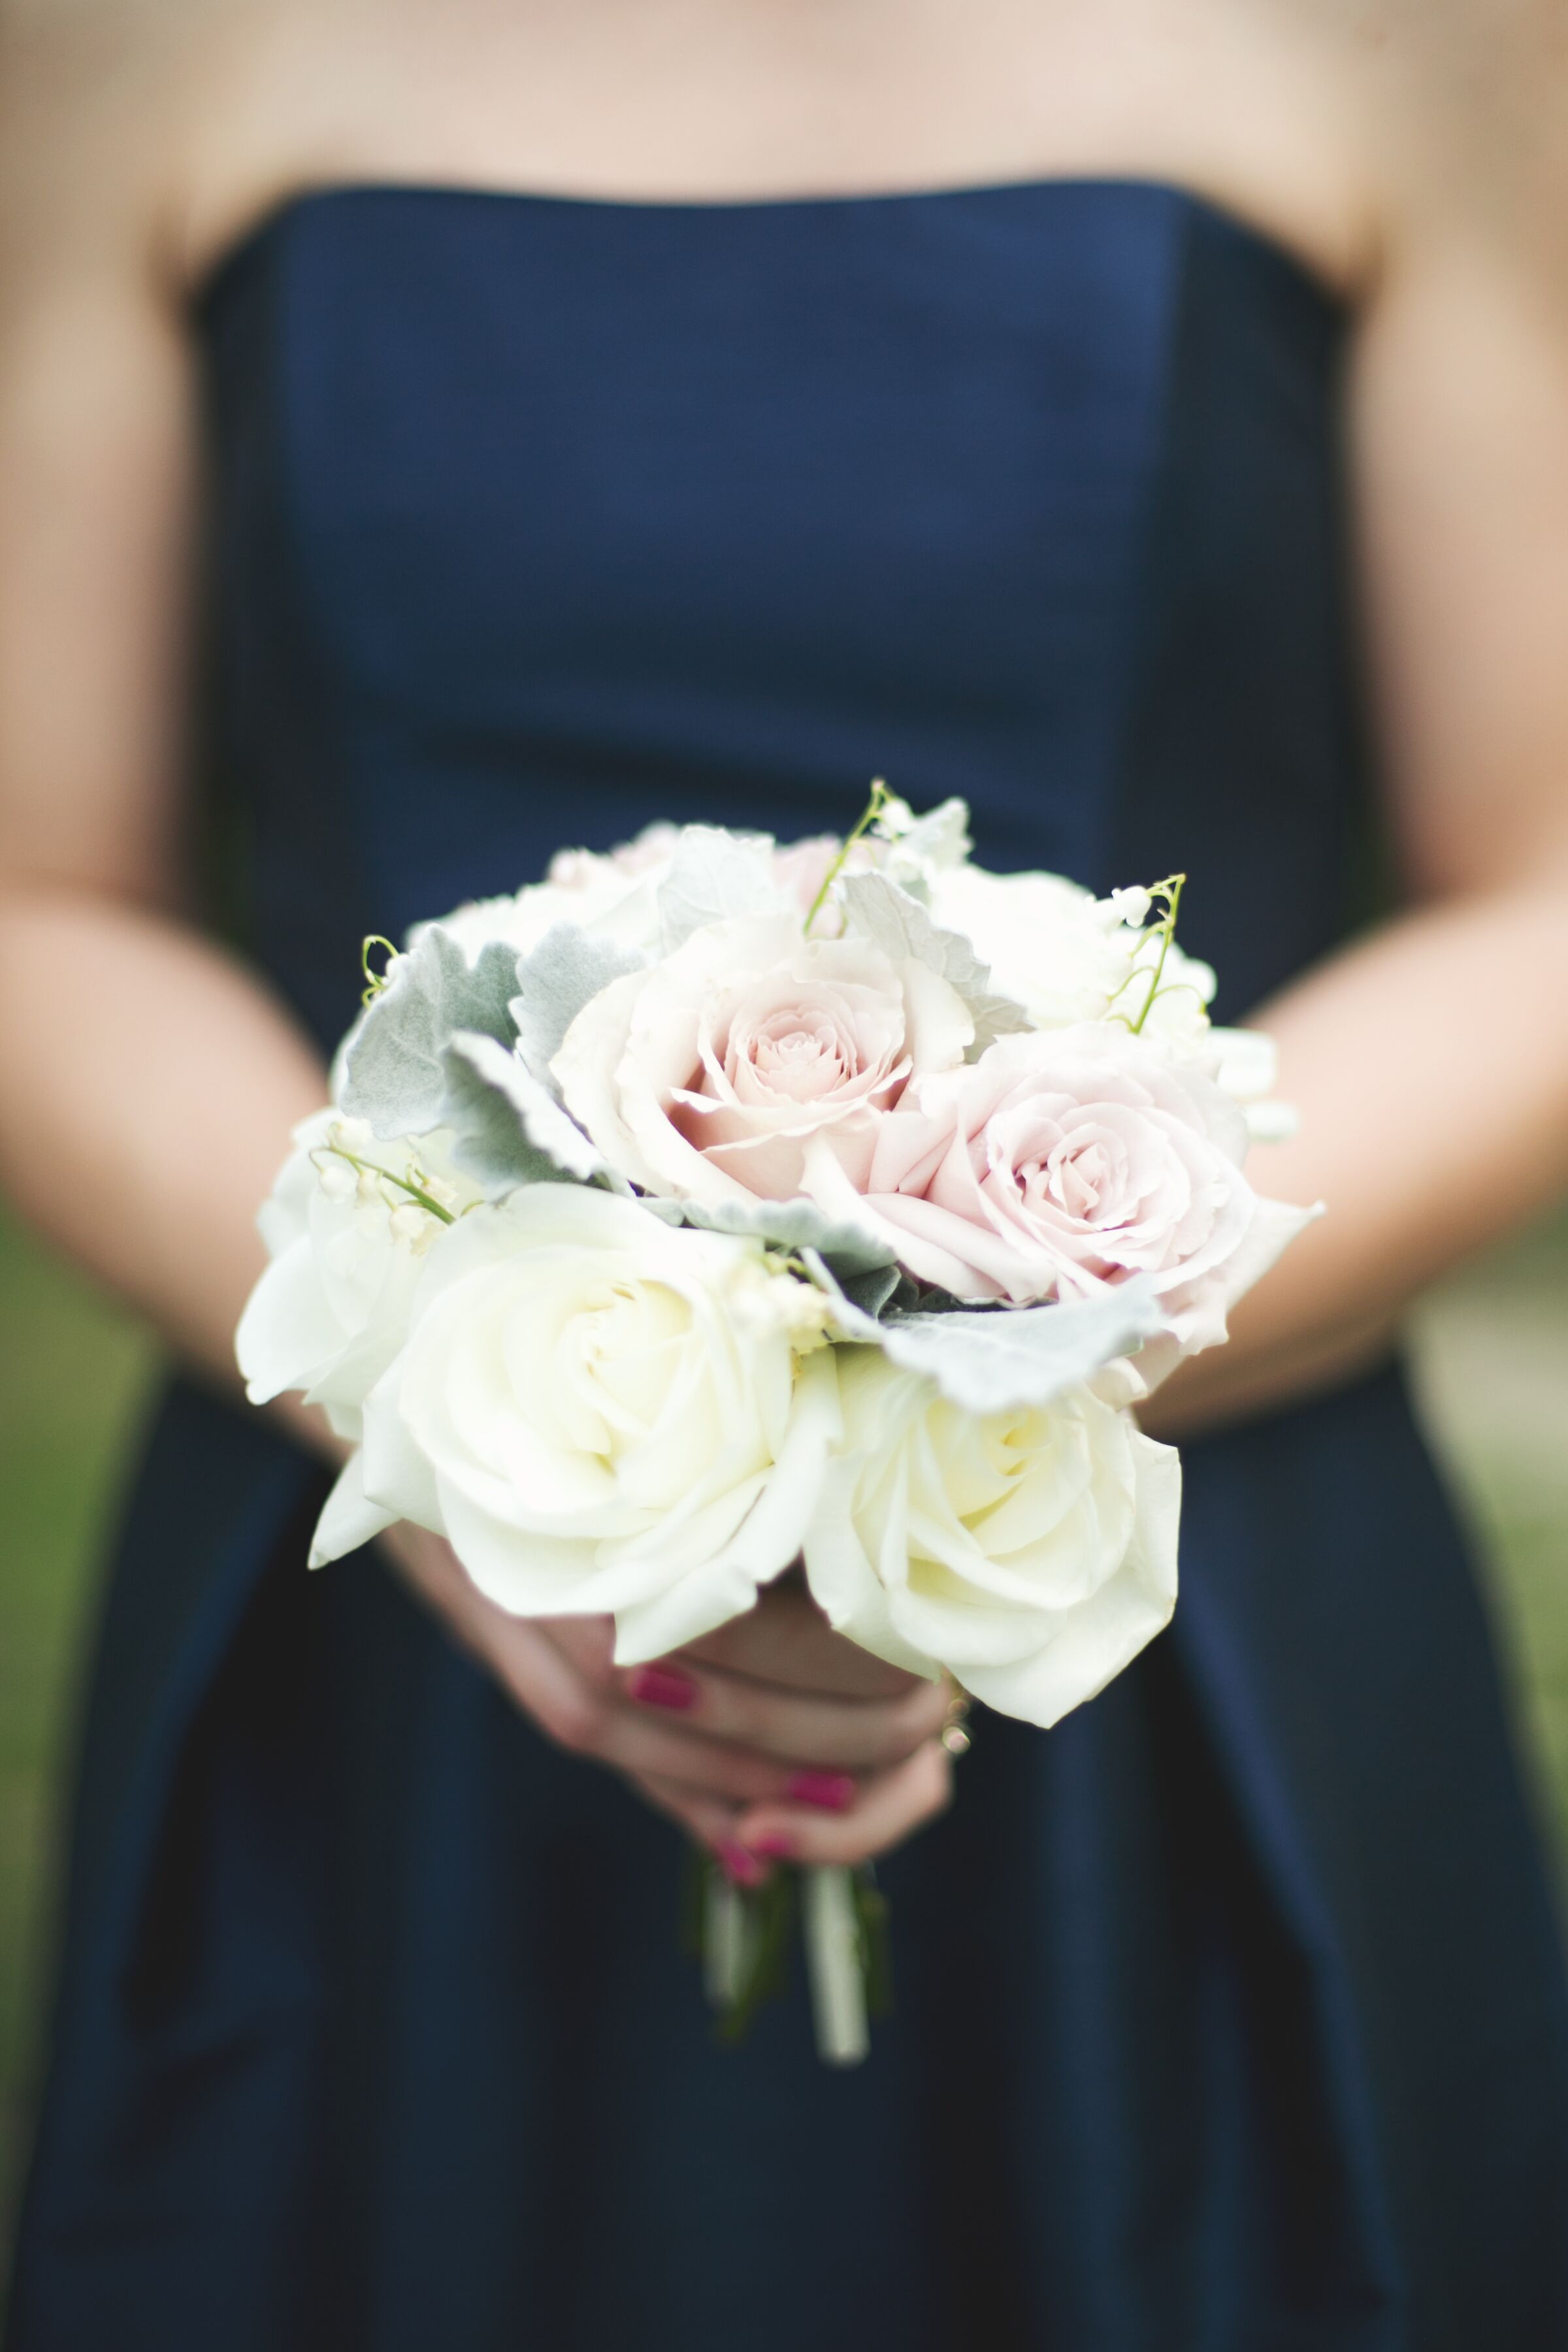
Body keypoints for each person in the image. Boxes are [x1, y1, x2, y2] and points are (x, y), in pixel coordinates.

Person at [3, 0, 1567, 2342]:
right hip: (395, 1593)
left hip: (1166, 1573)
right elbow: (38, 898)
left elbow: (1545, 888)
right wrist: (491, 1435)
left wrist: (968, 1376)